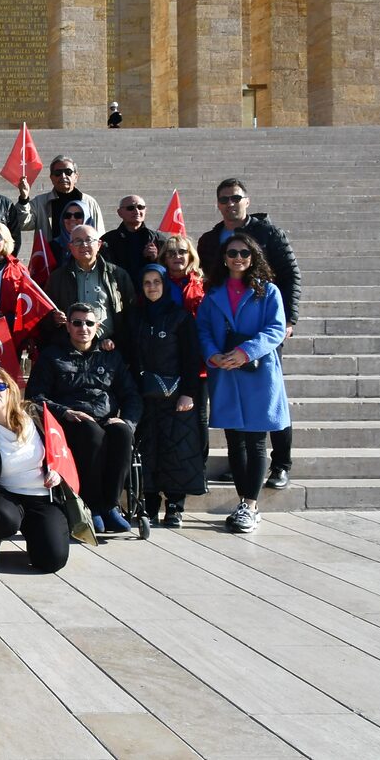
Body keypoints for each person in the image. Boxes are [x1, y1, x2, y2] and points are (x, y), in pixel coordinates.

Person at [196, 177, 300, 490]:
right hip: (226, 335)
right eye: (225, 199)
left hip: (261, 328)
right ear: (218, 203)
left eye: (236, 198)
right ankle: (241, 465)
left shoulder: (268, 232)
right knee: (236, 403)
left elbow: (290, 273)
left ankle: (280, 463)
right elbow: (207, 280)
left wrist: (288, 320)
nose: (231, 204)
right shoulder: (211, 239)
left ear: (247, 200)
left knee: (269, 401)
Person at [197, 234, 290, 534]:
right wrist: (213, 356)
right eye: (232, 252)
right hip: (225, 372)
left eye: (244, 253)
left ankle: (250, 505)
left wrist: (244, 352)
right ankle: (243, 502)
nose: (238, 258)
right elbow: (204, 330)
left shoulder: (269, 291)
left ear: (253, 257)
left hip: (258, 372)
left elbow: (276, 329)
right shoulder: (213, 293)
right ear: (224, 257)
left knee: (256, 441)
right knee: (235, 441)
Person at [26, 303, 142, 533]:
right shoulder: (52, 356)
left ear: (97, 327)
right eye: (77, 323)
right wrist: (64, 412)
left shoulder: (111, 357)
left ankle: (110, 506)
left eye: (89, 323)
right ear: (68, 326)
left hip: (105, 419)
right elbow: (35, 396)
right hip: (69, 422)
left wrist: (126, 421)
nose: (83, 328)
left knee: (121, 433)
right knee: (91, 433)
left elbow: (132, 396)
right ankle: (91, 507)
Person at [0, 366, 72, 572]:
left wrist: (57, 472)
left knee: (52, 562)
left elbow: (60, 448)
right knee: (4, 519)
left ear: (10, 390)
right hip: (6, 497)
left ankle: (36, 535)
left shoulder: (35, 415)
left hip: (42, 497)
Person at [133, 264, 207, 528]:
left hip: (176, 396)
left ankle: (175, 506)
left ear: (165, 285)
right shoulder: (135, 317)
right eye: (147, 282)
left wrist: (189, 393)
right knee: (149, 451)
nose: (152, 287)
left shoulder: (181, 317)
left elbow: (190, 359)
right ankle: (150, 504)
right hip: (146, 396)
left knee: (178, 451)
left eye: (157, 282)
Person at [47, 224, 136, 351]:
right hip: (69, 350)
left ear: (99, 244)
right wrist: (54, 319)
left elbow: (131, 313)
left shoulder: (117, 274)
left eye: (89, 240)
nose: (84, 245)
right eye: (78, 241)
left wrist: (118, 341)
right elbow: (45, 318)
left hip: (109, 349)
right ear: (70, 247)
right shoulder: (57, 278)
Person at [17, 156, 106, 237]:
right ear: (51, 178)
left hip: (81, 252)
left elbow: (99, 234)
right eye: (58, 173)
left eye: (68, 172)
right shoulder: (40, 202)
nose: (63, 176)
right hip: (51, 253)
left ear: (76, 177)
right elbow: (22, 224)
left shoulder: (89, 202)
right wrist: (23, 199)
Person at [101, 195, 166, 277]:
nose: (136, 211)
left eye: (140, 207)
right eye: (130, 208)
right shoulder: (108, 240)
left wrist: (156, 258)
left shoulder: (157, 239)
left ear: (145, 210)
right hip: (118, 287)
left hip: (148, 288)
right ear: (119, 213)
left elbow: (168, 268)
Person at [159, 234, 205, 314]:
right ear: (165, 258)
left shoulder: (203, 284)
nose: (177, 256)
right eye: (171, 253)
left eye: (182, 252)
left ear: (190, 256)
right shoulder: (157, 283)